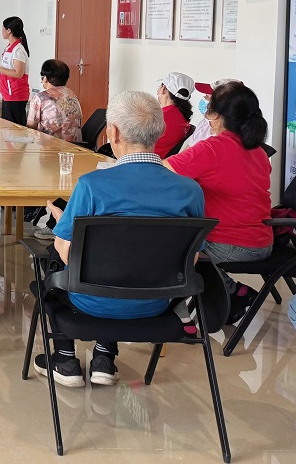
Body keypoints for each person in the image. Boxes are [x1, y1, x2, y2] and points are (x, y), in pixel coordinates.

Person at [36, 91, 204, 388]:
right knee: (122, 260)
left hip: (90, 303)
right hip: (155, 304)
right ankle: (104, 356)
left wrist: (62, 222)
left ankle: (65, 359)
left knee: (54, 256)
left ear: (112, 132)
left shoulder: (92, 185)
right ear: (159, 132)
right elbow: (190, 260)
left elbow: (66, 252)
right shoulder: (190, 190)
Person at [165, 81, 272, 323]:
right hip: (262, 240)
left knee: (171, 248)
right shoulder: (258, 151)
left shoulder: (212, 148)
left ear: (215, 115)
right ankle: (234, 292)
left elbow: (161, 171)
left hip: (231, 244)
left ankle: (176, 316)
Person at [0, 16, 30, 125]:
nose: (2, 31)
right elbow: (7, 65)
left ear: (9, 30)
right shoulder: (10, 47)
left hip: (15, 95)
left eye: (3, 28)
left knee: (15, 129)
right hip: (8, 94)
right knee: (8, 127)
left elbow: (18, 73)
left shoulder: (18, 50)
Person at [26, 59, 83, 143]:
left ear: (45, 78)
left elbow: (30, 129)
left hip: (50, 146)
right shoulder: (72, 95)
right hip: (75, 147)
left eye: (42, 77)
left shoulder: (40, 98)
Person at [180, 78, 238, 151]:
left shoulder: (228, 139)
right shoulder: (205, 123)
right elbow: (186, 152)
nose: (204, 99)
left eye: (207, 97)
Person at [154, 71, 194, 158]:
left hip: (146, 160)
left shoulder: (159, 118)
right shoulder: (181, 116)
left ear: (164, 89)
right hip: (162, 161)